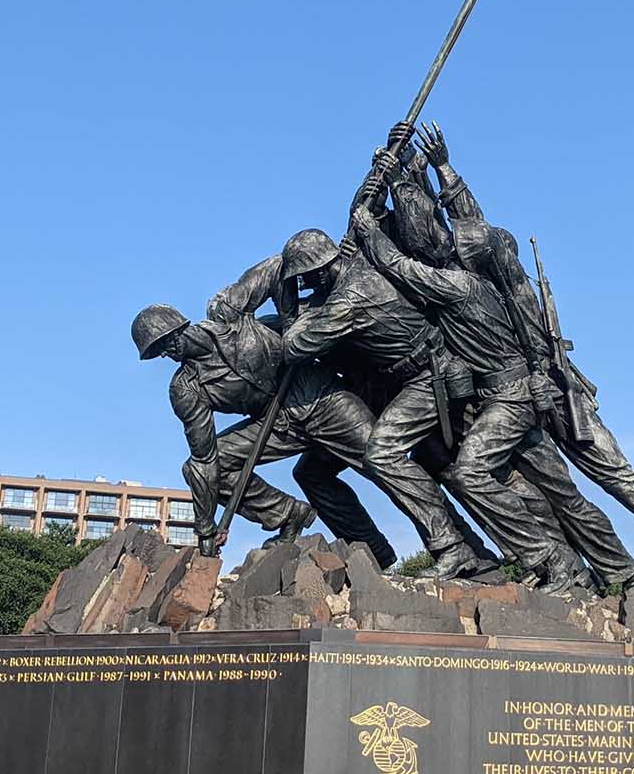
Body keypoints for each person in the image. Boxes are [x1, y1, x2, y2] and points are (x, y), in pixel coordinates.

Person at [418, 122, 634, 587]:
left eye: (468, 254)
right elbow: (464, 225)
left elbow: (474, 235)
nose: (458, 256)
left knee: (618, 478)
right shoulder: (482, 282)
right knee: (559, 494)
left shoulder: (516, 289)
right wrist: (440, 168)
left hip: (560, 396)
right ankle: (608, 574)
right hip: (519, 399)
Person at [348, 171, 588, 592]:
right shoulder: (462, 273)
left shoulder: (457, 282)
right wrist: (401, 172)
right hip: (485, 395)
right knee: (515, 482)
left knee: (478, 474)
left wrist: (370, 230)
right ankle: (556, 561)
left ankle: (558, 560)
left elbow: (397, 263)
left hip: (510, 395)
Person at [205, 234, 495, 579]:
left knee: (383, 458)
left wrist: (288, 313)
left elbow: (296, 345)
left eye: (308, 278)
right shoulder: (339, 281)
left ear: (324, 270)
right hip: (369, 388)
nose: (305, 286)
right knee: (311, 473)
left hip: (412, 382)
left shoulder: (351, 295)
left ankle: (459, 548)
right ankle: (373, 553)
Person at [130, 284, 396, 566]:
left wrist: (292, 320)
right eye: (159, 351)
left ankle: (444, 541)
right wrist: (205, 528)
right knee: (212, 468)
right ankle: (290, 515)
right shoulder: (185, 389)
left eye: (167, 342)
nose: (167, 352)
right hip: (278, 426)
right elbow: (204, 459)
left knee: (382, 461)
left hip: (320, 398)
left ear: (179, 325)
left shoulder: (232, 319)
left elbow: (280, 277)